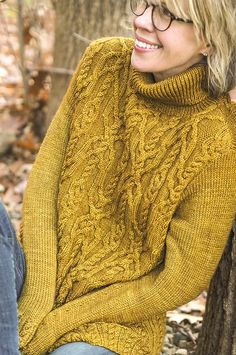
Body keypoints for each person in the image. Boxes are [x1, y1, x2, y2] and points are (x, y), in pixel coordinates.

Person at [1, 0, 236, 354]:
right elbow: (44, 186)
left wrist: (55, 324)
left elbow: (178, 280)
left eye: (166, 15)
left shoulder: (218, 139)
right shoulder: (103, 62)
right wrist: (35, 301)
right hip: (34, 277)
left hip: (111, 323)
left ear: (209, 38)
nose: (141, 21)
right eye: (144, 4)